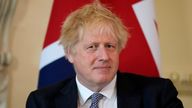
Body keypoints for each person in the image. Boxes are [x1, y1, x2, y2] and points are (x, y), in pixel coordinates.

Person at [26, 1, 183, 108]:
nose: (104, 56)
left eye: (110, 46)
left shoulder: (159, 95)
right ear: (69, 53)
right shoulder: (42, 102)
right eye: (92, 47)